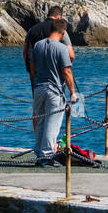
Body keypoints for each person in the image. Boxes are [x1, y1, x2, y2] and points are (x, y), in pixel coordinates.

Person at [30, 18, 78, 167]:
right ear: (63, 33)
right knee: (53, 124)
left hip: (38, 88)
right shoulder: (62, 48)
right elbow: (67, 71)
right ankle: (47, 156)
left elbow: (32, 67)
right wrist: (72, 92)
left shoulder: (38, 45)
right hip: (54, 91)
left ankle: (39, 153)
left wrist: (36, 83)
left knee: (41, 123)